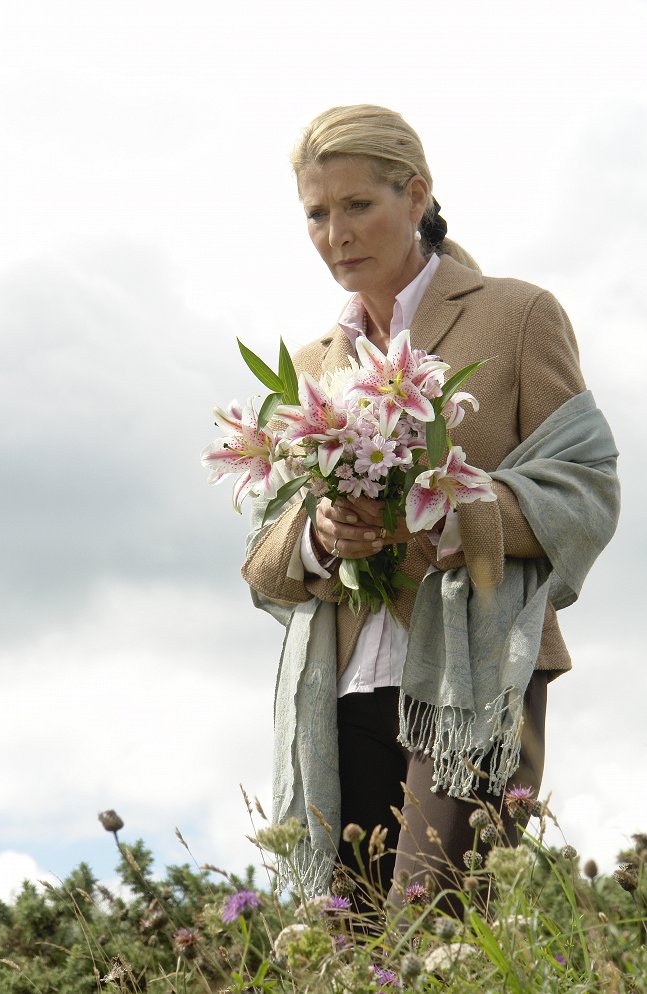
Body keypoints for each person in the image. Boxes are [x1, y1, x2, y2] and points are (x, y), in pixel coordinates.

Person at [240, 105, 620, 916]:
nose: (335, 232)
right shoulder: (310, 367)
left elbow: (585, 483)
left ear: (415, 196)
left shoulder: (517, 314)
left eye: (357, 205)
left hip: (476, 674)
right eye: (316, 212)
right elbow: (262, 559)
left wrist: (449, 513)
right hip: (336, 692)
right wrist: (316, 534)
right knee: (345, 942)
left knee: (434, 928)